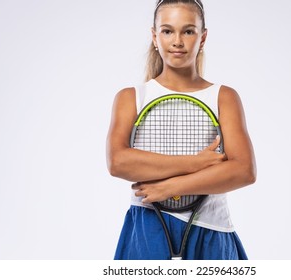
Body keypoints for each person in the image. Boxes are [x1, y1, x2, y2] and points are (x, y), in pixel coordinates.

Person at [106, 0, 256, 260]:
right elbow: (118, 162)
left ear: (203, 37)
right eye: (167, 31)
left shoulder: (224, 97)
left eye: (188, 31)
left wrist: (171, 187)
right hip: (148, 229)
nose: (177, 41)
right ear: (155, 36)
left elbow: (243, 170)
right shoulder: (131, 97)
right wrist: (197, 163)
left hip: (210, 230)